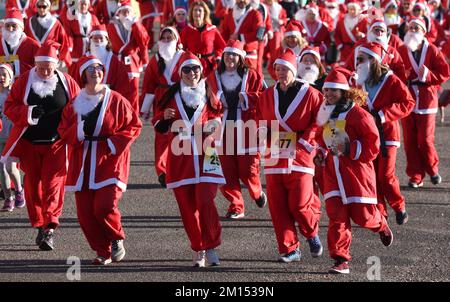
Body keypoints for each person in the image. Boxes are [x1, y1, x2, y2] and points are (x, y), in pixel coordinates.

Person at [58, 56, 142, 265]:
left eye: (99, 68)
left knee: (104, 206)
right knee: (85, 213)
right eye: (91, 69)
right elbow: (62, 130)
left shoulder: (116, 99)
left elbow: (134, 126)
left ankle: (116, 237)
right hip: (83, 160)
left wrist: (114, 143)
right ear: (83, 74)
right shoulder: (74, 103)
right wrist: (78, 131)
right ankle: (102, 251)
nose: (96, 71)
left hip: (109, 159)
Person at [0, 42, 80, 250]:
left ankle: (49, 228)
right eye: (41, 67)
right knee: (33, 186)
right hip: (29, 144)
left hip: (57, 144)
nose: (45, 72)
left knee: (54, 185)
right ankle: (39, 224)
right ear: (35, 65)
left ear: (56, 65)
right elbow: (10, 107)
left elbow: (82, 107)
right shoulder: (25, 81)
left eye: (49, 68)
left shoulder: (67, 82)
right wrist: (29, 113)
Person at [313, 67, 394, 275]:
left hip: (356, 174)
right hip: (333, 173)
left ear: (344, 92)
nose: (329, 94)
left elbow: (373, 144)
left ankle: (381, 224)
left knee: (363, 217)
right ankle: (341, 259)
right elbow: (320, 138)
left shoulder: (358, 114)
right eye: (327, 91)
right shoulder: (324, 112)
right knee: (336, 216)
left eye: (334, 91)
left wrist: (350, 148)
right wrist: (320, 152)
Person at [152, 52, 225, 267]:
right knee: (186, 206)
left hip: (207, 153)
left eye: (195, 69)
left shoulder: (210, 94)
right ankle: (198, 248)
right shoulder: (170, 96)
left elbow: (218, 117)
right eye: (187, 70)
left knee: (206, 199)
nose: (191, 73)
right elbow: (158, 124)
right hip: (180, 156)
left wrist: (214, 128)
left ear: (201, 72)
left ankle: (211, 245)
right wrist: (164, 118)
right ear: (180, 73)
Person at [258, 49, 323, 263]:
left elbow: (322, 118)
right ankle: (289, 249)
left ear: (293, 71)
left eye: (284, 69)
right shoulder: (267, 95)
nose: (280, 73)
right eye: (277, 69)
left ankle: (311, 233)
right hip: (275, 154)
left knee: (299, 204)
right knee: (278, 207)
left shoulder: (311, 93)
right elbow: (260, 121)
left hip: (301, 154)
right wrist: (260, 136)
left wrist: (307, 140)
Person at [354, 42, 415, 225]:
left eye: (362, 59)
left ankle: (399, 206)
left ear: (374, 60)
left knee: (385, 176)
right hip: (367, 136)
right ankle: (381, 216)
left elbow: (408, 102)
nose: (358, 63)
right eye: (358, 59)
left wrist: (382, 114)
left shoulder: (391, 80)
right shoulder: (359, 82)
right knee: (372, 177)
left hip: (387, 135)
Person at [207, 39, 266, 219]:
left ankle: (256, 192)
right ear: (223, 56)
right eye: (227, 54)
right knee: (225, 172)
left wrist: (247, 98)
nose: (230, 57)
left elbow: (267, 97)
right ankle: (236, 205)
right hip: (221, 127)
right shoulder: (212, 77)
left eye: (234, 54)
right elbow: (203, 100)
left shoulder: (254, 76)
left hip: (247, 126)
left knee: (248, 170)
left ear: (241, 58)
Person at [398, 18, 450, 187]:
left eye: (416, 28)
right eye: (410, 27)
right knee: (410, 141)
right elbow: (394, 73)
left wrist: (428, 75)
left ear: (423, 31)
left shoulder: (432, 50)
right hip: (408, 100)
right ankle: (416, 175)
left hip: (427, 100)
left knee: (425, 139)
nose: (412, 30)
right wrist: (402, 76)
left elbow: (444, 73)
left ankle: (432, 169)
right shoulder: (402, 50)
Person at [140, 26, 184, 187]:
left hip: (181, 99)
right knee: (162, 135)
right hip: (162, 100)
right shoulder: (155, 60)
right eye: (163, 38)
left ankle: (180, 170)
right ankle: (162, 171)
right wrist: (144, 108)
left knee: (180, 135)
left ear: (176, 40)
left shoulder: (184, 57)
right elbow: (148, 85)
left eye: (169, 37)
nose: (166, 40)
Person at [68, 24, 133, 104]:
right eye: (95, 38)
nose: (98, 41)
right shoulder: (82, 61)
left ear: (107, 40)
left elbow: (122, 84)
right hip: (86, 100)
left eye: (101, 38)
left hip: (109, 100)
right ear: (90, 40)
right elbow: (75, 84)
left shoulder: (115, 61)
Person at [107, 0, 150, 113]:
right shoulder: (111, 26)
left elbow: (144, 42)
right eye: (123, 12)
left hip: (132, 63)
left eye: (128, 11)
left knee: (133, 92)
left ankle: (133, 120)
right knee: (117, 93)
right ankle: (119, 118)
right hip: (117, 63)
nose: (126, 14)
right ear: (119, 13)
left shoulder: (137, 26)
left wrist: (136, 25)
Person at [0, 64, 25, 212]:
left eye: (4, 74)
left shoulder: (14, 93)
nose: (1, 77)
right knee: (1, 169)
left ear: (10, 78)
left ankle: (19, 190)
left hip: (12, 135)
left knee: (10, 167)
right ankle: (8, 197)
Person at [180, 1, 226, 77]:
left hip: (210, 67)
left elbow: (221, 47)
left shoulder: (212, 29)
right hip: (192, 67)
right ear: (191, 12)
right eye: (195, 10)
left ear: (204, 13)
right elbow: (182, 50)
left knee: (210, 88)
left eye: (200, 10)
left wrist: (218, 57)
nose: (197, 13)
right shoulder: (186, 30)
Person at [24, 0, 72, 67]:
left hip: (50, 57)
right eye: (39, 6)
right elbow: (25, 40)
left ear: (49, 7)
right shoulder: (30, 22)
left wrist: (63, 58)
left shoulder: (55, 23)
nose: (41, 9)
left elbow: (63, 41)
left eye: (44, 6)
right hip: (34, 57)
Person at [221, 0, 265, 72]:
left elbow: (260, 35)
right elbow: (223, 36)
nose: (242, 0)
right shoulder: (229, 15)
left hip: (249, 57)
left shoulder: (256, 14)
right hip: (233, 57)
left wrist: (240, 37)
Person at [0, 9, 41, 77]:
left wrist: (15, 67)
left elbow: (40, 69)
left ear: (21, 28)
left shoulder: (33, 45)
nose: (10, 29)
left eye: (14, 26)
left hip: (24, 85)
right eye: (7, 26)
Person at [334, 0, 368, 65]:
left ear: (358, 10)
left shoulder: (364, 21)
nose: (352, 11)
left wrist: (363, 36)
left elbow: (369, 34)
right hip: (345, 49)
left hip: (359, 48)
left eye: (354, 9)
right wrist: (340, 45)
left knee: (357, 66)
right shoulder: (341, 21)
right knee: (344, 66)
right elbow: (336, 34)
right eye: (350, 9)